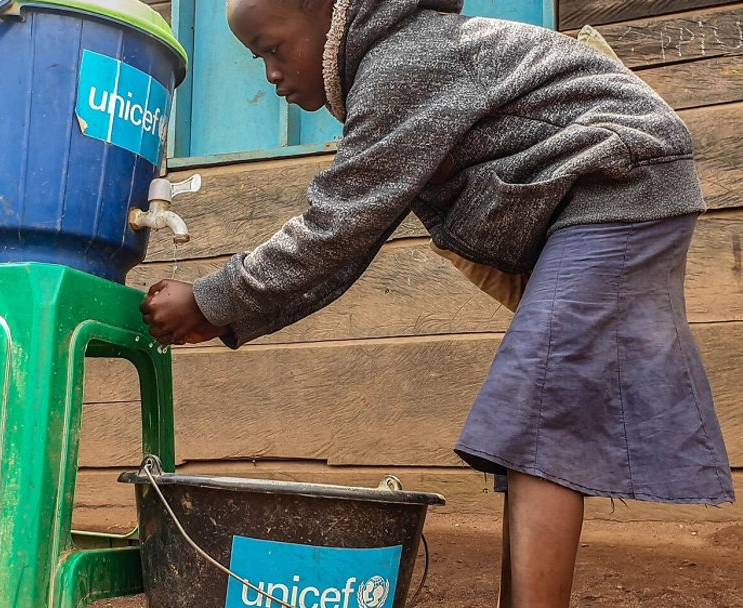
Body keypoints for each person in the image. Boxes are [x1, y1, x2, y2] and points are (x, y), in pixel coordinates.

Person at [139, 1, 736, 605]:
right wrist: (221, 314)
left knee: (538, 415)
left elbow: (333, 229)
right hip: (591, 197)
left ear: (323, 11)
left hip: (616, 184)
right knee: (536, 418)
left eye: (271, 47)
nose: (269, 74)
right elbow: (348, 249)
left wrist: (211, 299)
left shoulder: (403, 63)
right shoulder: (395, 70)